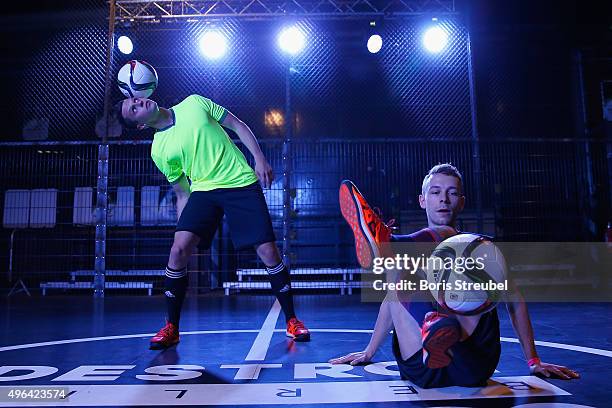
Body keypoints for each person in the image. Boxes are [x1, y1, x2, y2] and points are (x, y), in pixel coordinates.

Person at [331, 163, 579, 388]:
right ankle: (431, 325)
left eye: (452, 193)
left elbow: (514, 299)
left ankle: (388, 241)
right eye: (436, 192)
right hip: (423, 361)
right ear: (422, 200)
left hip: (471, 358)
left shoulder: (483, 249)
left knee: (460, 247)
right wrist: (368, 352)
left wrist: (533, 360)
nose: (444, 199)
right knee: (400, 267)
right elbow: (391, 300)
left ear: (461, 202)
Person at [113, 94, 310, 349]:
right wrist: (183, 229)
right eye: (134, 109)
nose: (140, 103)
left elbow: (238, 124)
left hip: (240, 182)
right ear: (140, 125)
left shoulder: (193, 103)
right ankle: (171, 327)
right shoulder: (159, 149)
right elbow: (182, 191)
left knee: (268, 251)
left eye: (136, 100)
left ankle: (292, 320)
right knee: (177, 250)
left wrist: (259, 158)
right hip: (203, 191)